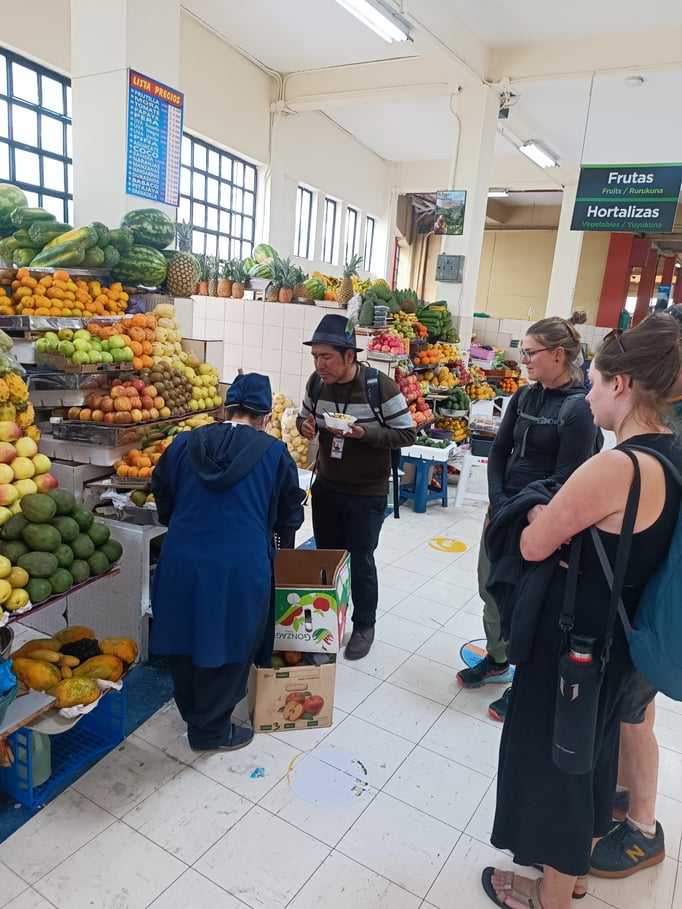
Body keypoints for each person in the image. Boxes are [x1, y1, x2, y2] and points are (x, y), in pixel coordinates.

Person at [482, 314, 682, 909]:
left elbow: (532, 543)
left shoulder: (616, 467)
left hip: (576, 640)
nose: (587, 394)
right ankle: (569, 879)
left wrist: (541, 515)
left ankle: (549, 895)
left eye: (594, 382)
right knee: (587, 760)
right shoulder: (670, 453)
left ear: (621, 385)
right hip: (618, 638)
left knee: (555, 770)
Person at [150, 373, 305, 752]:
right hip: (240, 564)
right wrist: (282, 541)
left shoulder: (183, 443)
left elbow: (162, 491)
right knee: (233, 642)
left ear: (224, 408)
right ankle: (210, 731)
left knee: (185, 635)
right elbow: (289, 511)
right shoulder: (273, 453)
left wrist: (183, 523)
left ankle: (192, 713)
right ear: (266, 416)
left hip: (181, 559)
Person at [457, 317, 597, 722]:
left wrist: (518, 512)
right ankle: (497, 659)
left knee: (530, 602)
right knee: (491, 587)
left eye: (531, 353)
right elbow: (498, 453)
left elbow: (565, 477)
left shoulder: (580, 410)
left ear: (558, 354)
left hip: (541, 522)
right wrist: (498, 503)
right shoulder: (522, 397)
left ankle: (525, 681)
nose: (524, 360)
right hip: (503, 514)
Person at [589, 303, 682, 878]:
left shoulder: (663, 433)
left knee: (635, 717)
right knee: (632, 715)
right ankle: (626, 796)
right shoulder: (668, 425)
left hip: (659, 601)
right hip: (654, 595)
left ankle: (644, 828)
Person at [297, 314, 416, 660]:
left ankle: (364, 625)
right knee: (328, 559)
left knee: (361, 561)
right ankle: (328, 623)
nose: (320, 365)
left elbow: (407, 433)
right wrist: (305, 427)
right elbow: (305, 417)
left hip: (367, 492)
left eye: (327, 357)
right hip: (328, 486)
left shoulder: (380, 387)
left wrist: (366, 435)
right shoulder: (317, 385)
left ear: (349, 356)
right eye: (315, 357)